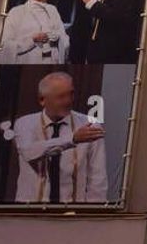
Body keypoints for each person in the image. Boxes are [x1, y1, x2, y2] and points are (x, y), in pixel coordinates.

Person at [12, 71, 108, 204]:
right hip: (29, 211)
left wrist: (93, 214)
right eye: (61, 96)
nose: (68, 101)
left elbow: (97, 178)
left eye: (71, 94)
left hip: (72, 213)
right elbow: (29, 151)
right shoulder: (25, 123)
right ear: (42, 100)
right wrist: (72, 139)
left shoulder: (90, 125)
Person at [0, 0, 67, 65]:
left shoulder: (53, 10)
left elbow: (64, 40)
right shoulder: (16, 12)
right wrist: (32, 40)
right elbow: (6, 45)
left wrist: (57, 37)